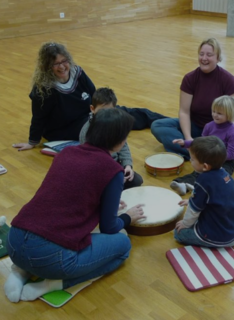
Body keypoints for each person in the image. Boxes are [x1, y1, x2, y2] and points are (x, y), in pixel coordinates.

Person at [4, 108, 146, 303]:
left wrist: (104, 201)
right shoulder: (113, 169)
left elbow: (67, 193)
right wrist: (127, 216)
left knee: (39, 241)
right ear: (120, 141)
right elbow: (109, 227)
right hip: (51, 258)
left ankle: (19, 273)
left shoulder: (67, 152)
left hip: (14, 241)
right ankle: (52, 284)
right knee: (123, 246)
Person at [13, 41, 167, 151]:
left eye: (64, 61)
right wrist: (32, 142)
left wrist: (105, 109)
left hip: (90, 112)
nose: (62, 66)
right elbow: (39, 118)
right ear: (46, 67)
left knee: (125, 112)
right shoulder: (43, 89)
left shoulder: (77, 72)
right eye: (55, 64)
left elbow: (94, 93)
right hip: (64, 128)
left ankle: (171, 122)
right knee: (101, 127)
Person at [151, 37, 234, 160]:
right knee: (158, 126)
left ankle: (195, 152)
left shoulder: (228, 79)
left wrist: (230, 130)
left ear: (218, 58)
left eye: (209, 55)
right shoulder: (190, 78)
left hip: (220, 129)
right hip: (196, 127)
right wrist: (188, 137)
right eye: (201, 54)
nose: (204, 58)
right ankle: (203, 152)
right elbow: (184, 112)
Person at [174, 136, 234, 247]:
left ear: (205, 166)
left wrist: (185, 224)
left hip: (216, 236)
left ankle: (225, 239)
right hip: (230, 224)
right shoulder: (225, 174)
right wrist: (192, 200)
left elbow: (193, 211)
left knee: (178, 233)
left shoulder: (203, 181)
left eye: (192, 159)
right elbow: (219, 198)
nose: (191, 161)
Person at [170, 95, 234, 195]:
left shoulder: (233, 132)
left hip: (225, 161)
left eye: (219, 113)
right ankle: (182, 184)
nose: (215, 115)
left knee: (220, 177)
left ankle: (196, 187)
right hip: (209, 158)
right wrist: (185, 143)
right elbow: (201, 142)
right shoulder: (209, 126)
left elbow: (232, 154)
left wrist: (215, 158)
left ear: (229, 114)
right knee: (198, 171)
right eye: (213, 111)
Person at [79, 87, 143, 189]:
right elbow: (91, 163)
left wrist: (127, 165)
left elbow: (124, 146)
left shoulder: (115, 124)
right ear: (92, 109)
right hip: (97, 171)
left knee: (137, 180)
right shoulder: (87, 132)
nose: (106, 116)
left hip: (115, 166)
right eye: (102, 111)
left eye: (110, 111)